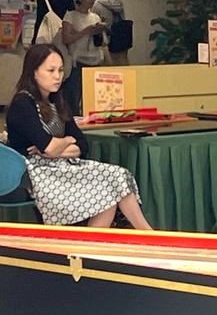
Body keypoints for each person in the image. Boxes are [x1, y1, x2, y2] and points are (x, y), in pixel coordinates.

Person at [6, 44, 153, 230]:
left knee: (117, 178)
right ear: (34, 72)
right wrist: (67, 141)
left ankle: (142, 235)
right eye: (51, 70)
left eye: (60, 70)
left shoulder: (57, 100)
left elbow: (81, 145)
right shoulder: (23, 104)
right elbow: (49, 147)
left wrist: (61, 147)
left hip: (60, 165)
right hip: (36, 174)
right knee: (110, 188)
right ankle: (148, 235)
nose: (57, 76)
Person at [59, 0, 107, 115]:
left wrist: (99, 32)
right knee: (73, 100)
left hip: (95, 60)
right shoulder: (70, 16)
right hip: (78, 62)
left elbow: (102, 43)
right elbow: (66, 39)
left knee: (94, 99)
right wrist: (86, 31)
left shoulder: (95, 17)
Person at [92, 0, 128, 65]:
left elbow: (93, 22)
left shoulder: (97, 3)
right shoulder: (119, 3)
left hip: (107, 42)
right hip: (121, 39)